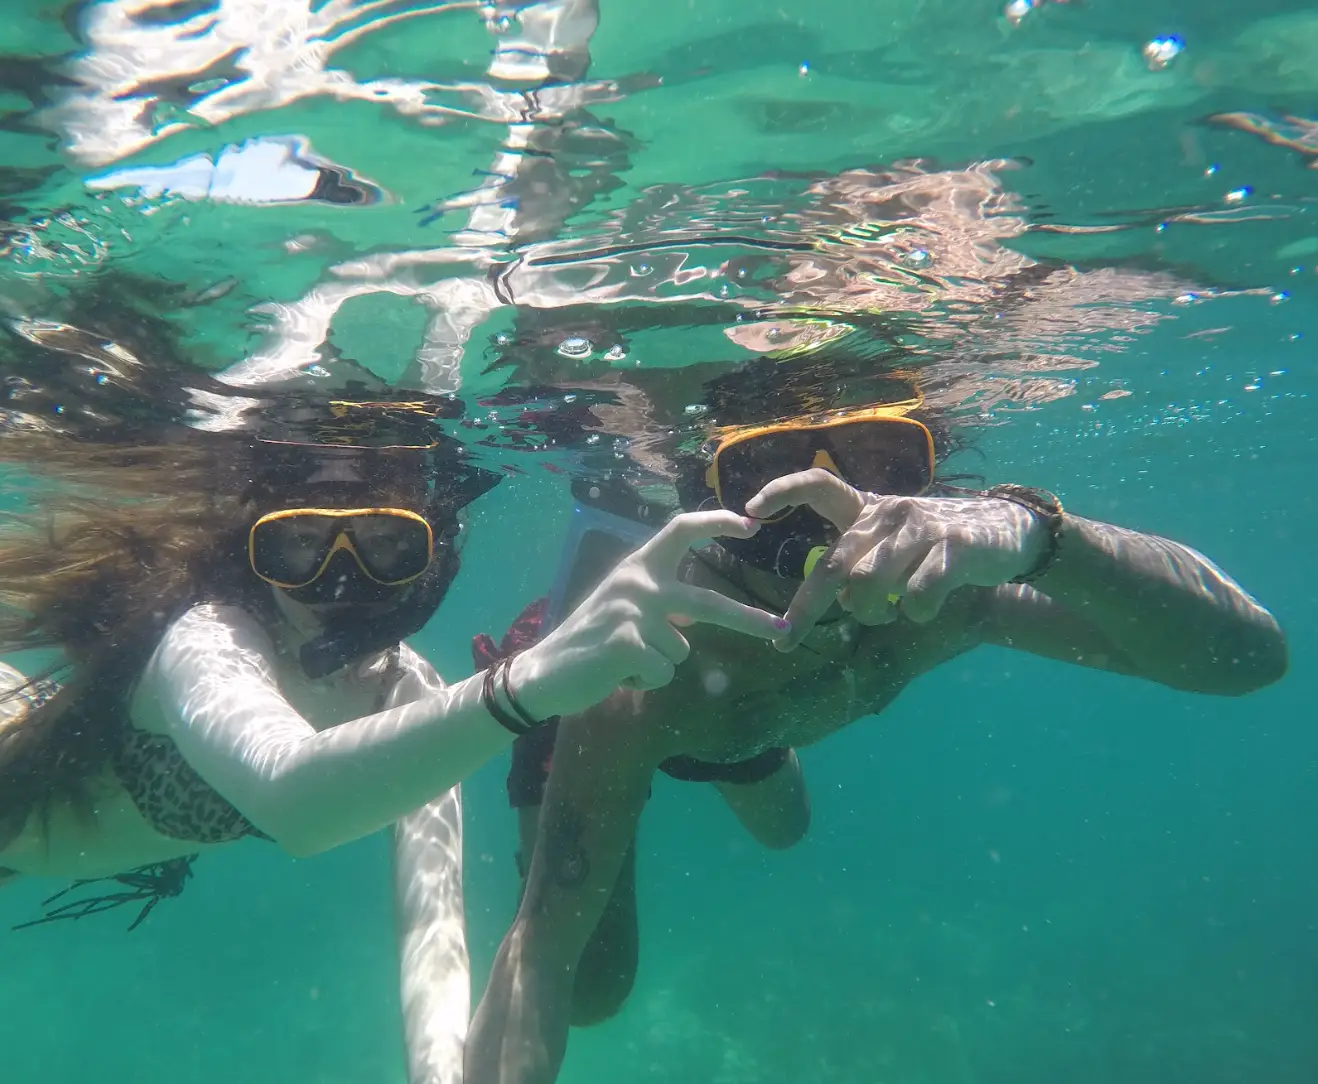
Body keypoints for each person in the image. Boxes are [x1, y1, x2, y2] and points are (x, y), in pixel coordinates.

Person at [462, 388, 1289, 1084]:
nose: (831, 509)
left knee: (786, 830)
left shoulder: (957, 594)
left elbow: (1246, 659)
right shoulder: (638, 672)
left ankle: (732, 743)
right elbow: (542, 949)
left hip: (734, 720)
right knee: (596, 988)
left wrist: (1037, 536)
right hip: (646, 698)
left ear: (930, 481)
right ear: (708, 496)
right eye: (768, 476)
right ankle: (537, 690)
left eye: (882, 462)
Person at [0, 320, 787, 926]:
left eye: (386, 546)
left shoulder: (407, 691)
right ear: (253, 550)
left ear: (430, 557)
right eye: (298, 545)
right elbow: (295, 799)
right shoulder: (208, 640)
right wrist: (527, 685)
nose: (339, 580)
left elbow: (433, 922)